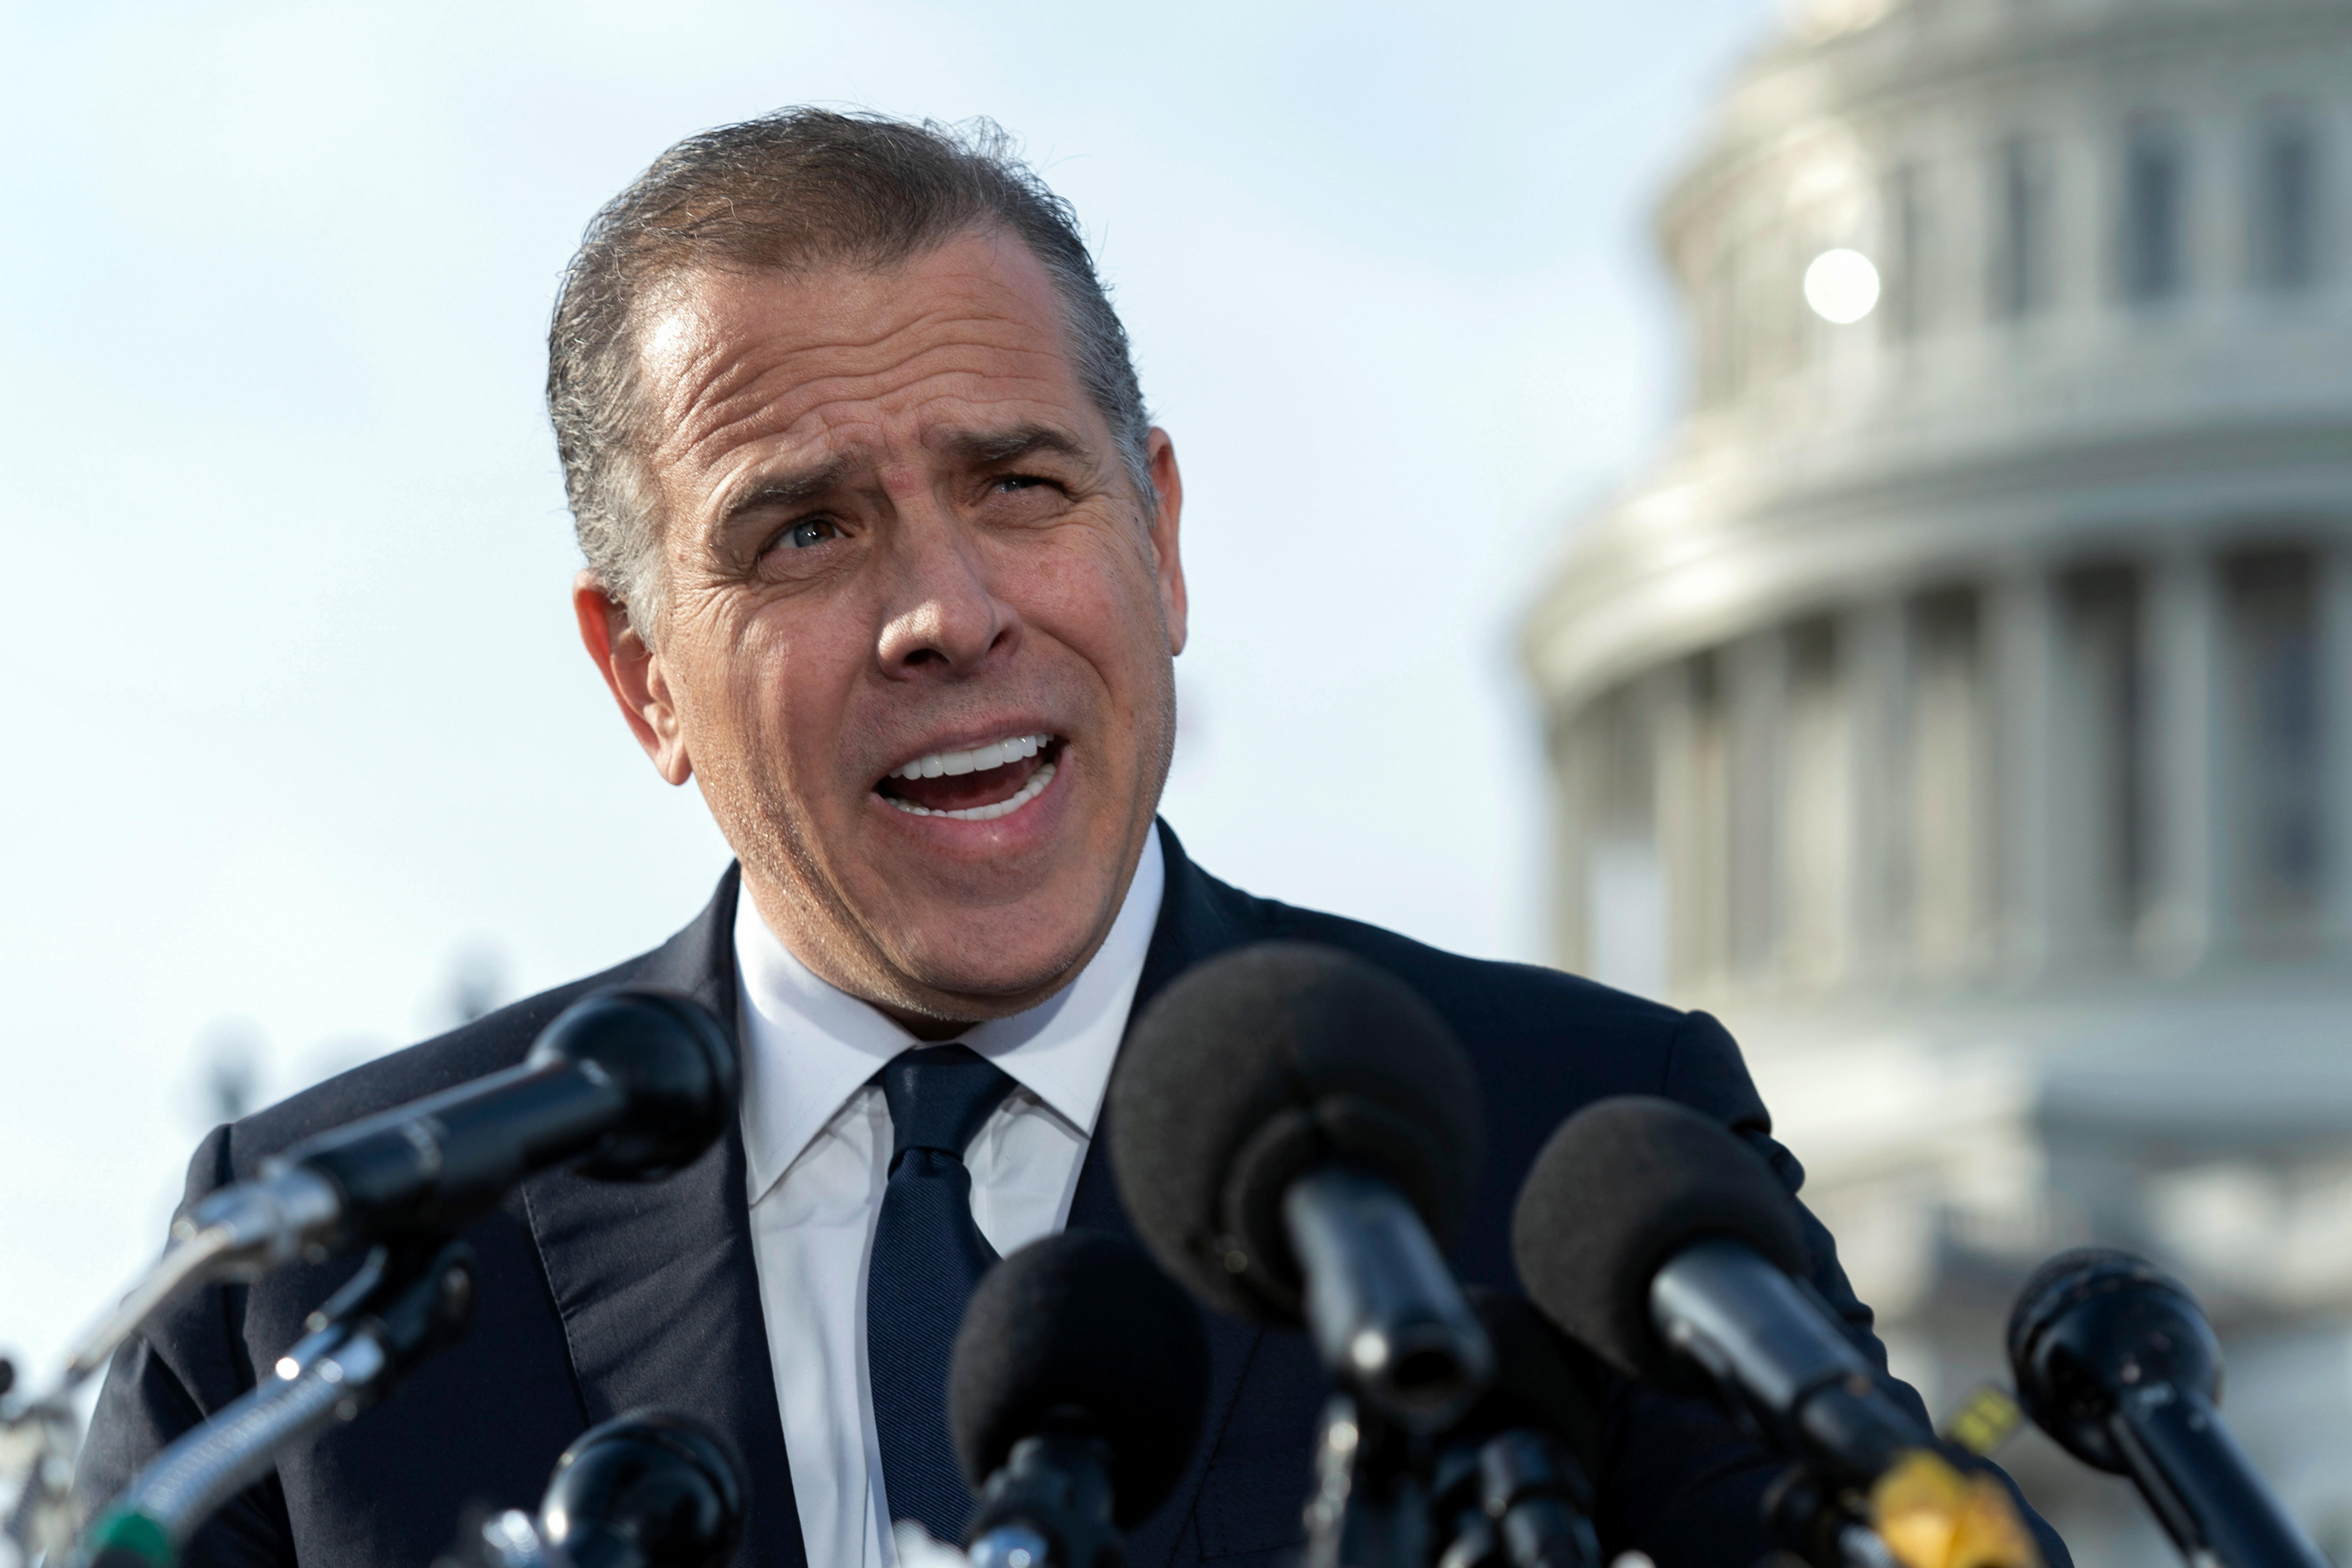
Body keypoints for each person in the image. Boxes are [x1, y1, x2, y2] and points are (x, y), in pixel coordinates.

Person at [78, 110, 2066, 1568]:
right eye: (803, 530)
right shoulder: (308, 1278)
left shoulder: (1573, 1148)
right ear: (641, 681)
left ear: (1162, 539)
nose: (946, 608)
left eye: (1017, 485)